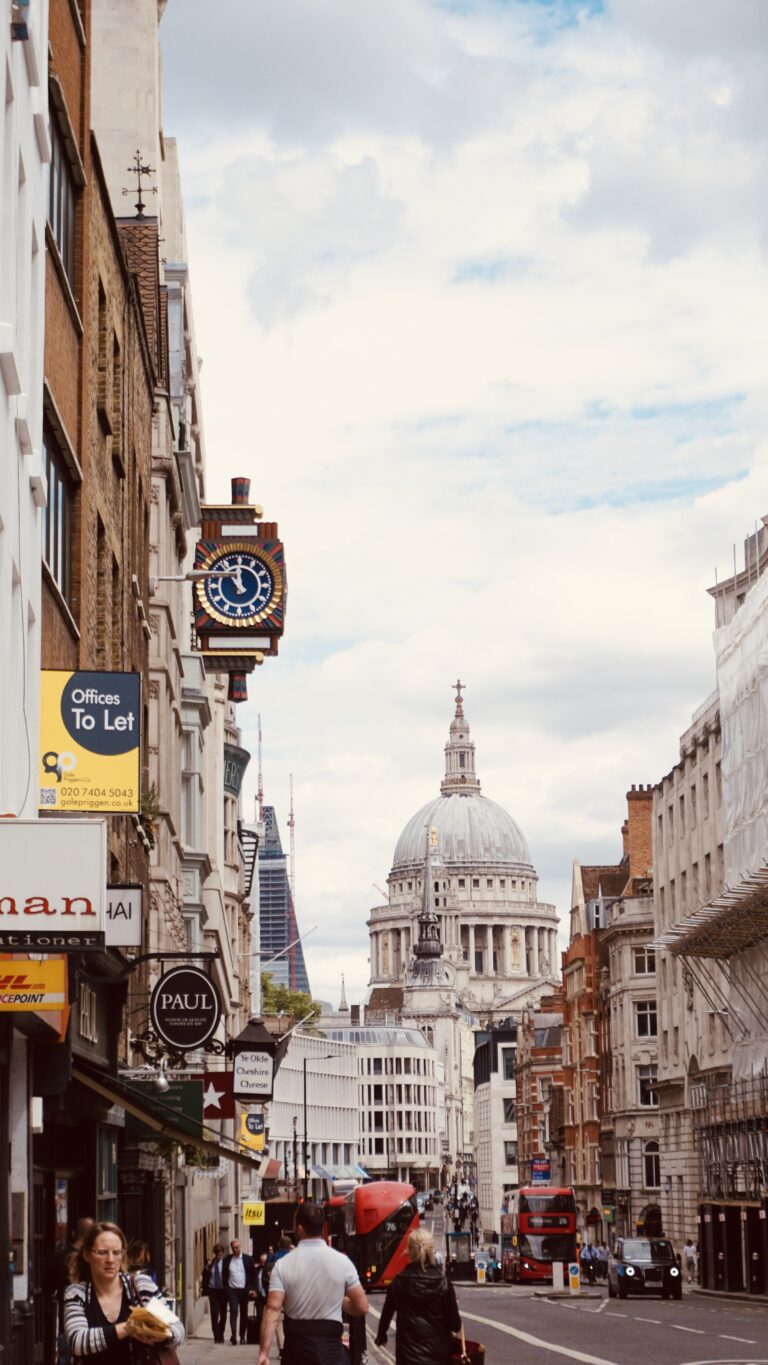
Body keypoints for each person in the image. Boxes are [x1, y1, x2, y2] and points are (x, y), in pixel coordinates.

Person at [258, 1202, 368, 1365]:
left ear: (300, 1229)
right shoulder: (342, 1262)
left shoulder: (283, 1265)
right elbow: (361, 1307)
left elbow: (273, 1309)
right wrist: (343, 1303)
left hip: (297, 1351)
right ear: (322, 1227)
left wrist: (264, 1353)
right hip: (331, 1351)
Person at [62, 1220, 185, 1361]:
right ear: (86, 1255)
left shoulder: (140, 1286)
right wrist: (129, 1327)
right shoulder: (77, 1294)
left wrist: (161, 1335)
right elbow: (77, 1341)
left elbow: (178, 1330)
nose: (110, 1259)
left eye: (116, 1253)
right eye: (102, 1252)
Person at [375, 1228, 461, 1365]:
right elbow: (455, 1326)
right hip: (439, 1358)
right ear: (431, 1250)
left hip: (407, 1358)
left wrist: (381, 1336)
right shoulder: (444, 1283)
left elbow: (386, 1315)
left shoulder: (398, 1282)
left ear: (409, 1251)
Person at [223, 1237, 256, 1346]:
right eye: (233, 1248)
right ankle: (233, 1335)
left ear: (240, 1247)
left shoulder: (248, 1259)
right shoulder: (228, 1260)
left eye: (237, 1247)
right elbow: (224, 1276)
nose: (235, 1250)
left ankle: (242, 1336)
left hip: (244, 1290)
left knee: (244, 1313)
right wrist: (227, 1289)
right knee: (233, 1312)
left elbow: (253, 1275)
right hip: (232, 1290)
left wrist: (252, 1289)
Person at [202, 1242, 228, 1344]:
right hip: (213, 1290)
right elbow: (205, 1275)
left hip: (223, 1291)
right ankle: (216, 1336)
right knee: (214, 1314)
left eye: (220, 1253)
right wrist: (206, 1268)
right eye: (217, 1253)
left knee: (223, 1314)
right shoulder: (211, 1263)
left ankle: (221, 1333)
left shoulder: (226, 1263)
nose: (218, 1255)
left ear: (222, 1253)